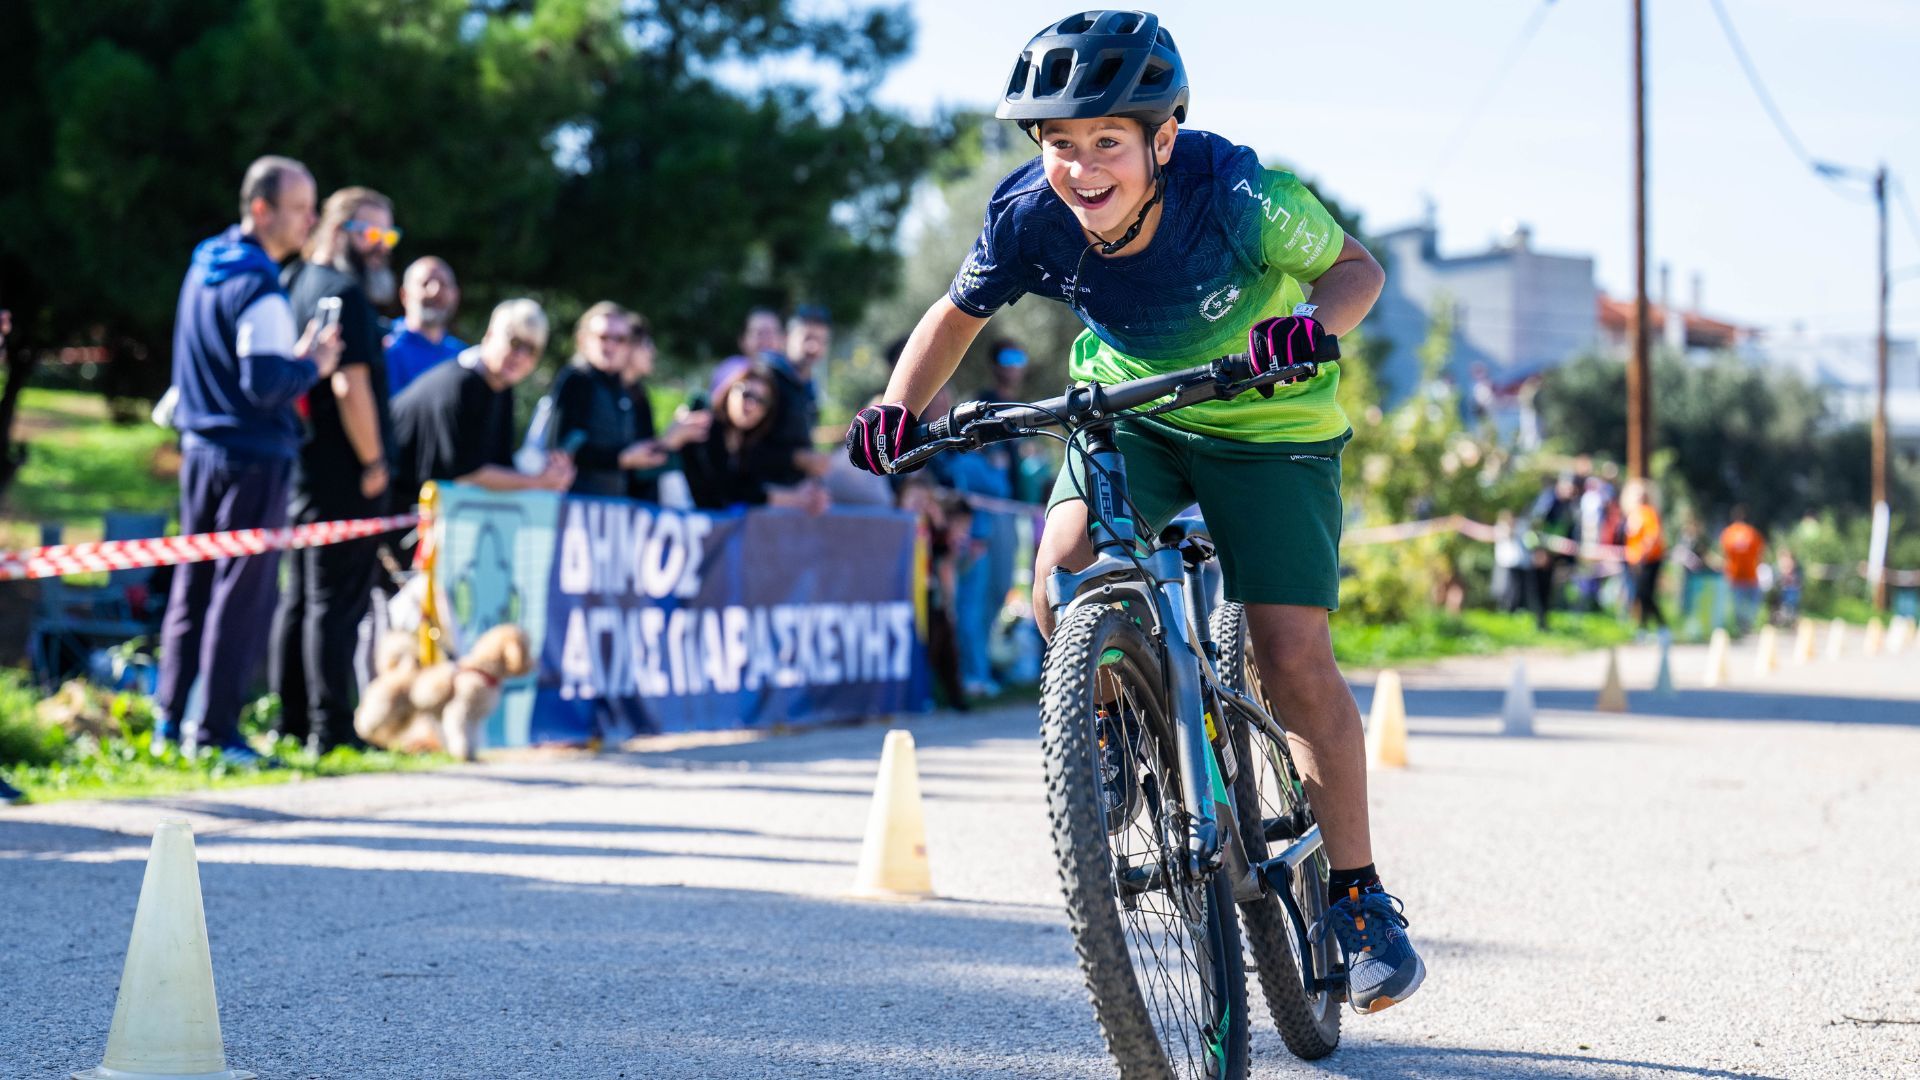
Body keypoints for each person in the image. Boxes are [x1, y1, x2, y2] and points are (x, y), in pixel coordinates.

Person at [842, 13, 1421, 1011]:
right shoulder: (1027, 214)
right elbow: (955, 316)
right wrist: (899, 408)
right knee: (1060, 567)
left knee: (1290, 651)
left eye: (1107, 141)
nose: (1080, 168)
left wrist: (1306, 329)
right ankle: (1109, 727)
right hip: (1134, 410)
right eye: (1059, 145)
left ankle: (1360, 900)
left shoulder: (1238, 192)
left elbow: (1356, 271)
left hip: (1267, 420)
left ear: (1162, 137)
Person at [155, 156, 342, 762]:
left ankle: (169, 721)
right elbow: (263, 383)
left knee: (193, 587)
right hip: (253, 458)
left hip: (201, 451)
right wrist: (312, 365)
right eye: (300, 208)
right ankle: (215, 733)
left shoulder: (203, 267)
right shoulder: (258, 283)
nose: (311, 220)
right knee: (242, 595)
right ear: (262, 210)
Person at [272, 186, 402, 754]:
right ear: (341, 228)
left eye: (389, 238)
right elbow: (351, 385)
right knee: (334, 603)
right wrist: (374, 460)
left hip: (301, 468)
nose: (381, 248)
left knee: (300, 598)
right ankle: (331, 729)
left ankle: (292, 722)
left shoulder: (295, 281)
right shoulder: (344, 291)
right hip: (343, 471)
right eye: (373, 234)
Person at [390, 299, 575, 494]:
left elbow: (500, 465)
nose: (520, 356)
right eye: (515, 342)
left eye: (531, 349)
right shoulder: (460, 383)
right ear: (489, 335)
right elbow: (466, 473)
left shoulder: (502, 388)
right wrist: (539, 481)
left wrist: (550, 470)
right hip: (388, 501)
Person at [548, 302, 707, 499]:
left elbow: (635, 461)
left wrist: (665, 444)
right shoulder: (577, 379)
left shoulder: (621, 389)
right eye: (603, 337)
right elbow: (564, 448)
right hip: (575, 504)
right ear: (583, 340)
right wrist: (623, 458)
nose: (611, 345)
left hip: (613, 507)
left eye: (620, 339)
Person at [681, 359, 827, 513]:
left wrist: (803, 496)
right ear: (728, 391)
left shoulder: (748, 442)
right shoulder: (702, 425)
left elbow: (749, 485)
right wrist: (795, 498)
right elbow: (725, 489)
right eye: (746, 394)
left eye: (761, 400)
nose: (751, 405)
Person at [384, 257, 465, 395]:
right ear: (404, 295)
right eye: (425, 283)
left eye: (443, 284)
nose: (435, 291)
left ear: (455, 295)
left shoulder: (461, 357)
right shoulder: (384, 345)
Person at [709, 306, 786, 400]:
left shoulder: (790, 377)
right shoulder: (730, 371)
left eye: (771, 333)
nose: (766, 340)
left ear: (783, 339)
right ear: (743, 340)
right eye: (759, 333)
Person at [1621, 479, 1666, 632]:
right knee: (1639, 594)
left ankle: (1660, 625)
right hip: (1635, 560)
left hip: (1648, 560)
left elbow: (1653, 536)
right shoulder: (1633, 514)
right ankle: (1644, 627)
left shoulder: (1648, 513)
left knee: (1645, 593)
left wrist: (1643, 553)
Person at [1720, 505, 1765, 635]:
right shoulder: (1752, 533)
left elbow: (1725, 554)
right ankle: (1748, 625)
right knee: (1752, 603)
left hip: (1734, 575)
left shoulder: (1728, 533)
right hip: (1751, 574)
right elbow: (1760, 553)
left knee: (1736, 604)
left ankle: (1738, 626)